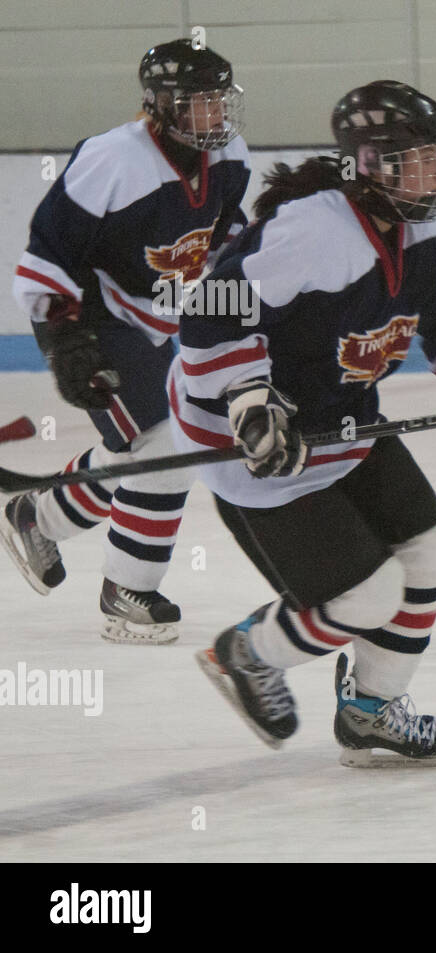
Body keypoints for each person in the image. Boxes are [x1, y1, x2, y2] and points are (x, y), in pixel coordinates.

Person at [174, 80, 436, 767]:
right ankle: (246, 656)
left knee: (428, 553)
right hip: (253, 439)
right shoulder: (311, 231)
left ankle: (370, 709)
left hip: (340, 420)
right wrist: (249, 400)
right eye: (421, 158)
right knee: (368, 596)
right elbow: (211, 311)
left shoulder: (422, 233)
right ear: (373, 165)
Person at [4, 39, 250, 642]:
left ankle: (35, 514)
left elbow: (225, 237)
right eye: (202, 103)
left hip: (157, 318)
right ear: (164, 106)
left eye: (222, 99)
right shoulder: (112, 159)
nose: (218, 114)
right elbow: (49, 253)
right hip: (91, 320)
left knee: (142, 450)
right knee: (167, 447)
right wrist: (65, 339)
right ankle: (127, 591)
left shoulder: (229, 155)